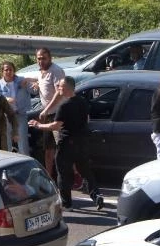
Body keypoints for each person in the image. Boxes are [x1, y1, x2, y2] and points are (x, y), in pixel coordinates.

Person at [29, 76, 104, 212]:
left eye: (60, 87)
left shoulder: (64, 106)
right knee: (85, 170)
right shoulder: (83, 102)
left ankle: (67, 203)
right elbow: (86, 119)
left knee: (63, 173)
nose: (58, 89)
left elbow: (56, 126)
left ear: (67, 88)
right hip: (82, 142)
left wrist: (39, 125)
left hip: (67, 143)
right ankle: (96, 194)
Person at [29, 48, 66, 178]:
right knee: (48, 148)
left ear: (50, 58)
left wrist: (45, 109)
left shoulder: (56, 71)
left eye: (44, 58)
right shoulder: (41, 71)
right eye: (39, 58)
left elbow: (59, 93)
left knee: (62, 148)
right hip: (48, 115)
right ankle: (48, 177)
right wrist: (36, 83)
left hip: (57, 113)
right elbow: (43, 84)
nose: (41, 61)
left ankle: (70, 176)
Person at [0, 61, 37, 155]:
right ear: (2, 72)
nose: (9, 72)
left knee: (22, 143)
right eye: (6, 70)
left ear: (14, 71)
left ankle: (24, 164)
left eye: (11, 69)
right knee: (7, 144)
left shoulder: (21, 80)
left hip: (20, 115)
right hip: (6, 117)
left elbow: (34, 91)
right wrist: (5, 99)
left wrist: (35, 84)